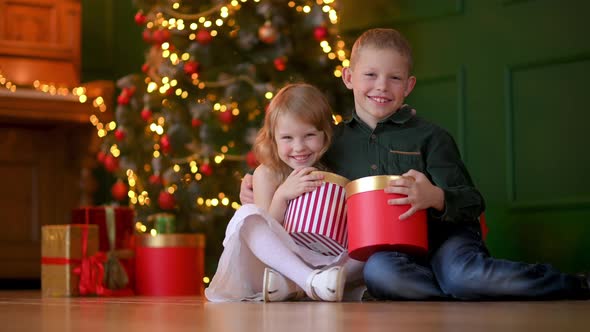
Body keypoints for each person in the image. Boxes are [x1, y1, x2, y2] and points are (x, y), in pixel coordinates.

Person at [240, 28, 590, 300]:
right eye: (370, 75)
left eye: (394, 78)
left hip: (446, 237)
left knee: (464, 275)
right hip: (392, 251)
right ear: (349, 78)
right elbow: (295, 164)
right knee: (380, 274)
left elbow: (471, 201)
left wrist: (434, 196)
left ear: (409, 86)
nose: (381, 86)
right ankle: (459, 295)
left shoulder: (430, 137)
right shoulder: (334, 140)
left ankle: (573, 284)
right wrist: (256, 188)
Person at [205, 83, 364, 303]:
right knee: (247, 215)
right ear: (273, 139)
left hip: (320, 260)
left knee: (369, 249)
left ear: (326, 134)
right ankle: (307, 281)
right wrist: (282, 195)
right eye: (287, 138)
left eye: (309, 135)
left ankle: (297, 286)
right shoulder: (267, 174)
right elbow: (265, 232)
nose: (299, 147)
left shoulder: (330, 172)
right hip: (274, 263)